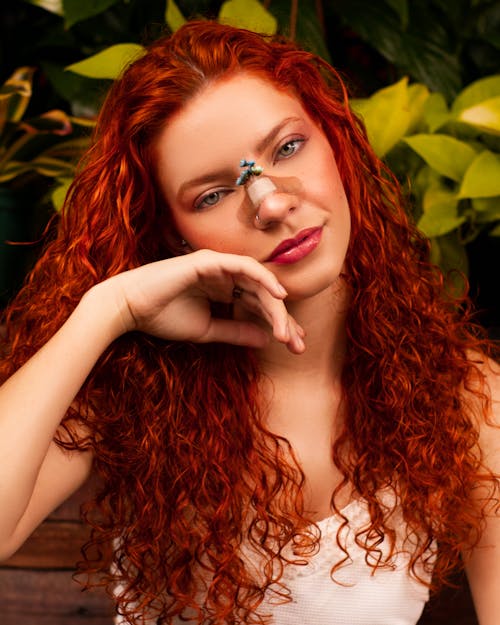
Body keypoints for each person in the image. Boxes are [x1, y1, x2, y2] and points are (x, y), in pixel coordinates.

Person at [0, 20, 498, 625]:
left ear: (337, 142)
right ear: (172, 235)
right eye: (211, 195)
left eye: (288, 147)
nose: (271, 202)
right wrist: (111, 309)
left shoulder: (466, 397)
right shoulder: (131, 379)